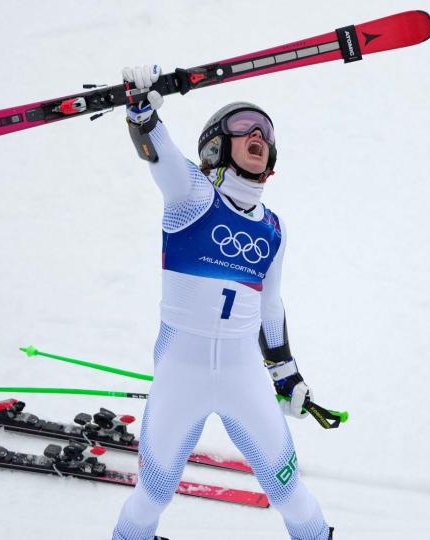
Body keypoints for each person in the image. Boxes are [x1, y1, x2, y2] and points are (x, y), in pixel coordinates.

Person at [111, 65, 332, 540]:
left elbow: (270, 309)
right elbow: (158, 153)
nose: (257, 133)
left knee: (290, 491)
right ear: (216, 145)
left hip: (244, 377)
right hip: (180, 374)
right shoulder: (191, 196)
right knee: (152, 493)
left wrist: (286, 373)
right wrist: (141, 111)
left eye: (265, 132)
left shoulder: (274, 228)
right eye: (243, 127)